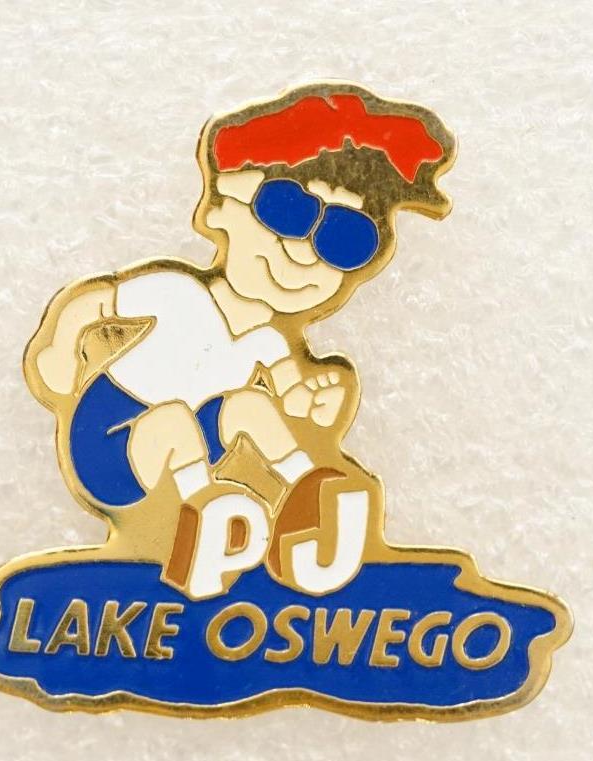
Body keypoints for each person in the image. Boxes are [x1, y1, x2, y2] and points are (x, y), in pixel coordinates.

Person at [25, 84, 455, 586]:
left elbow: (289, 395)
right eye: (286, 210)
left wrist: (314, 403)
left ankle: (305, 485)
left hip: (195, 430)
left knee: (250, 406)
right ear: (219, 208)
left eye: (345, 238)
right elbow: (95, 303)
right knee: (172, 419)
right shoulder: (173, 291)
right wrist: (59, 354)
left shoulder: (271, 341)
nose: (303, 253)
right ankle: (206, 511)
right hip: (111, 441)